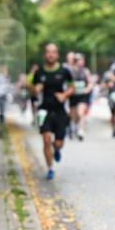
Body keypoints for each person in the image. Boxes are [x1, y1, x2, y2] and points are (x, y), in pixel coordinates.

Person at [33, 43, 73, 180]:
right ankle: (50, 168)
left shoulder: (64, 71)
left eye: (53, 52)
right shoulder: (39, 72)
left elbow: (72, 87)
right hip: (44, 110)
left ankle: (56, 149)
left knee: (58, 143)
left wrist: (65, 95)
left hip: (60, 110)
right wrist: (35, 88)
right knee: (46, 139)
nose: (50, 54)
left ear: (57, 55)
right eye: (48, 52)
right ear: (45, 55)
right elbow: (34, 88)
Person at [69, 54, 94, 141]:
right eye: (79, 60)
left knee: (81, 113)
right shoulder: (70, 71)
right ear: (75, 61)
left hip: (82, 96)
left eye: (82, 60)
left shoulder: (86, 71)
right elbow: (66, 83)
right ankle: (74, 127)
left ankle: (81, 131)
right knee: (74, 116)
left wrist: (88, 88)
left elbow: (90, 82)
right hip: (73, 95)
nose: (81, 62)